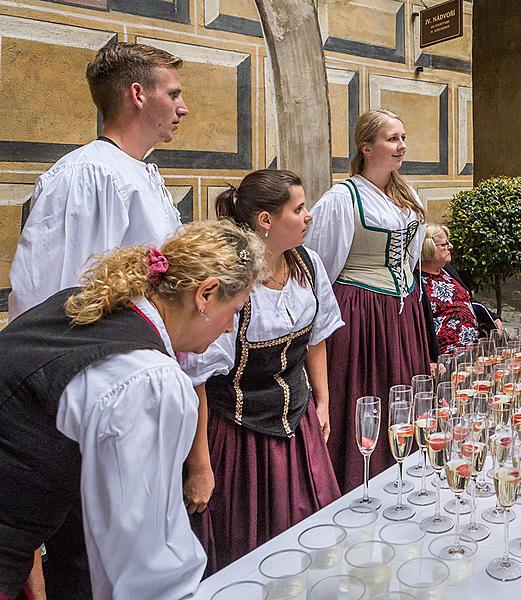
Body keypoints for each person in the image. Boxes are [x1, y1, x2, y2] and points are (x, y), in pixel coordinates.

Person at [0, 220, 266, 600]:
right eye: (235, 310)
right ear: (205, 294)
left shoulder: (79, 303)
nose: (229, 330)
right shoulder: (149, 378)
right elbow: (143, 565)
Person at [178, 170, 343, 574]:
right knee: (249, 544)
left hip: (299, 424)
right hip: (240, 434)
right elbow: (197, 376)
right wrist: (200, 464)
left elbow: (316, 338)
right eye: (299, 209)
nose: (308, 217)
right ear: (265, 220)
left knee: (312, 537)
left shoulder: (307, 264)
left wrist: (322, 401)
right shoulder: (234, 281)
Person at [8, 42, 188, 320]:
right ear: (138, 95)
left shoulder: (136, 172)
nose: (183, 108)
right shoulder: (89, 175)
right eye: (173, 94)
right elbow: (57, 298)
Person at [305, 109, 430, 493]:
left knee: (403, 390)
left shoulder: (406, 196)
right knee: (366, 393)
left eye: (403, 137)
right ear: (367, 147)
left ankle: (406, 470)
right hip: (361, 315)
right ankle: (361, 480)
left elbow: (410, 262)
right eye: (392, 139)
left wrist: (408, 300)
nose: (402, 146)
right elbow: (319, 269)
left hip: (402, 313)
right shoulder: (342, 200)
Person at [420, 224, 502, 354]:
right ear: (428, 248)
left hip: (476, 348)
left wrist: (494, 317)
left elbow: (467, 300)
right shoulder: (417, 281)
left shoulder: (447, 271)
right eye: (444, 245)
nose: (450, 247)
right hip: (446, 356)